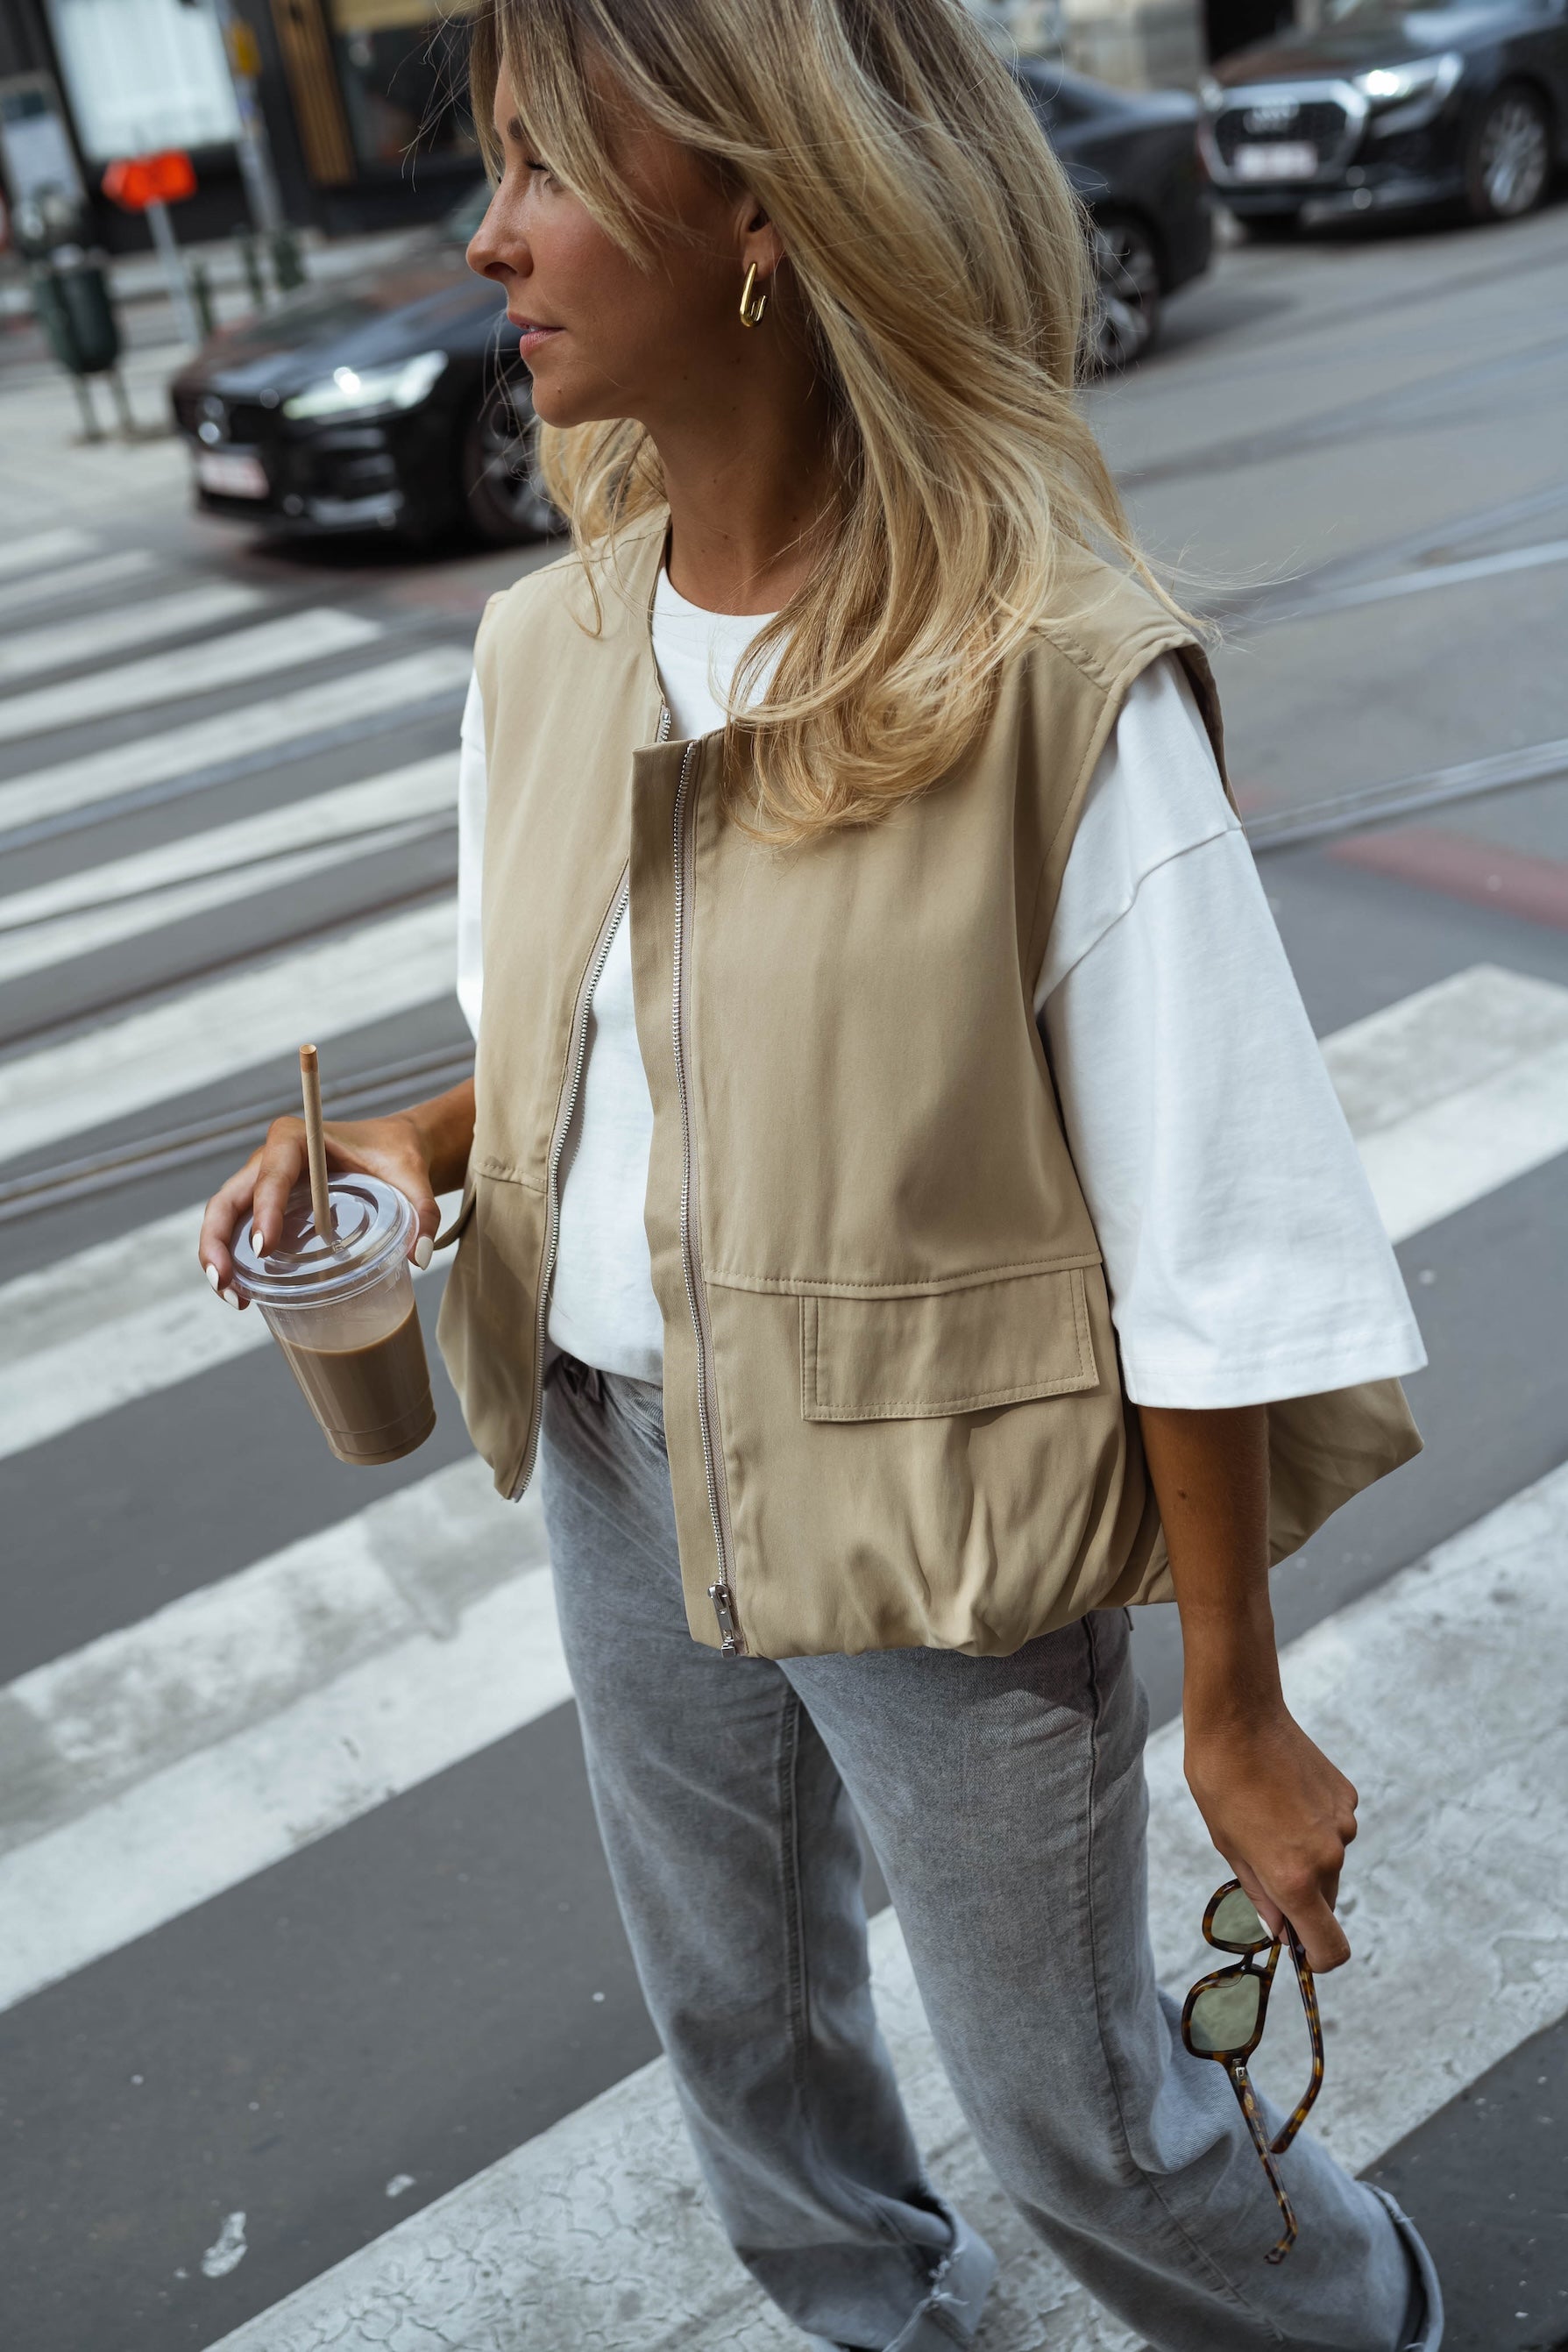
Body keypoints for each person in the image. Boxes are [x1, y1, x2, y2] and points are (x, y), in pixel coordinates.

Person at [199, 1, 1444, 2343]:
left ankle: (1360, 2314)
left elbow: (1208, 1242)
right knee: (747, 2046)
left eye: (548, 169)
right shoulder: (544, 649)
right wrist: (416, 1139)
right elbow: (602, 1035)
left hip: (932, 1525)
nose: (486, 240)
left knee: (1080, 2117)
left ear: (763, 208)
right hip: (609, 1452)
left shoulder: (1047, 677)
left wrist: (1234, 1701)